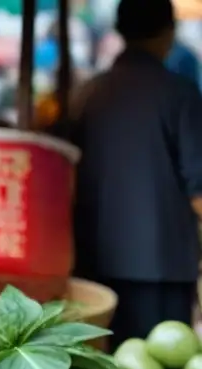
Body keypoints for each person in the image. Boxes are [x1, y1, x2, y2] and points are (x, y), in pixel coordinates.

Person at [72, 0, 202, 344]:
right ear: (168, 33)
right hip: (163, 268)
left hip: (95, 266)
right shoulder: (180, 94)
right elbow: (198, 190)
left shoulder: (87, 95)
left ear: (120, 32)